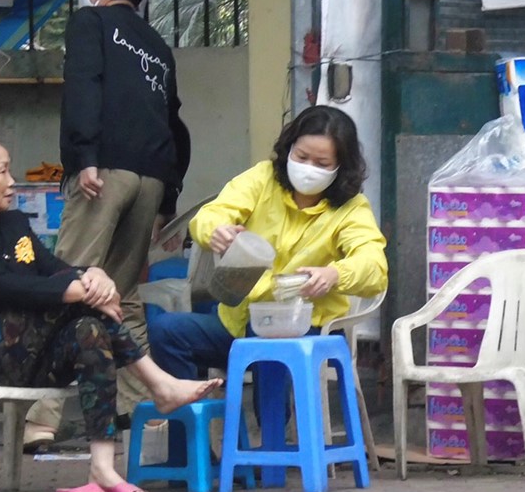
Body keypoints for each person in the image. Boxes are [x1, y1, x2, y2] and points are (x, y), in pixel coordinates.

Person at [0, 128, 220, 492]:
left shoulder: (12, 224)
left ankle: (102, 468)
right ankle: (159, 383)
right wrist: (80, 291)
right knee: (82, 304)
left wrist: (89, 276)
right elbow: (4, 287)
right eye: (2, 171)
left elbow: (51, 268)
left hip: (26, 353)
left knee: (89, 329)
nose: (12, 181)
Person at [24, 0, 191, 448]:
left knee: (66, 281)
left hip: (106, 169)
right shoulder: (158, 45)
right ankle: (139, 407)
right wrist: (168, 196)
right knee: (124, 292)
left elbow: (84, 87)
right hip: (152, 178)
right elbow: (174, 124)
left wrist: (84, 156)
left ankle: (40, 417)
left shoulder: (90, 23)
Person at [148, 106, 388, 388]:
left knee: (268, 341)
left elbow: (374, 267)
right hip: (237, 322)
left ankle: (275, 432)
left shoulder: (351, 208)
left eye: (321, 164)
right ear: (289, 149)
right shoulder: (264, 179)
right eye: (302, 157)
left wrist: (335, 275)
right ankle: (193, 419)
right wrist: (216, 231)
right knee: (166, 331)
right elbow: (212, 214)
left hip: (302, 329)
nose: (309, 168)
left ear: (340, 167)